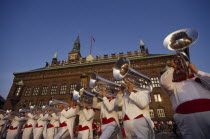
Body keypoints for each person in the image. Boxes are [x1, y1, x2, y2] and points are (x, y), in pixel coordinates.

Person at [160, 59, 210, 139]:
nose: (179, 70)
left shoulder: (200, 79)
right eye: (177, 69)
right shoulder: (173, 85)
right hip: (187, 119)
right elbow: (164, 83)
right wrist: (172, 67)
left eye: (182, 67)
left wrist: (197, 71)